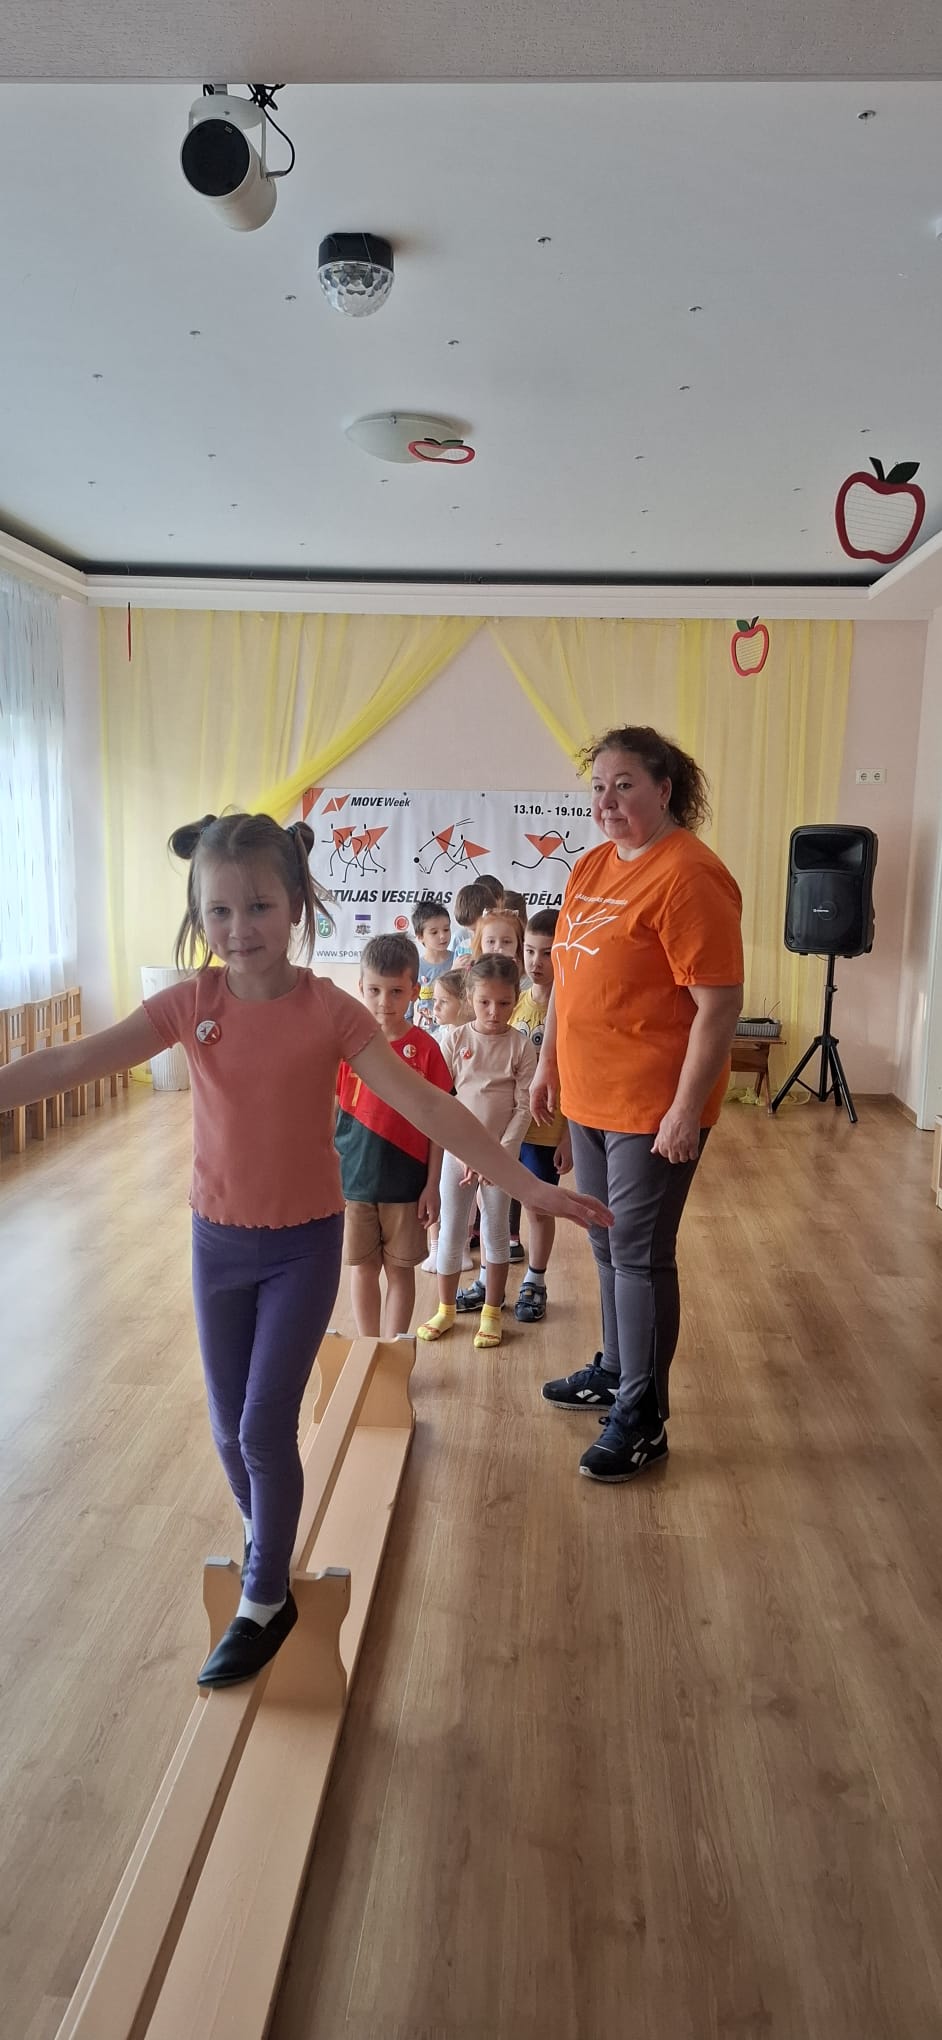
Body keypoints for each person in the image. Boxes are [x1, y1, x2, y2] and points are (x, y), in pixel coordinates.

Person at [0, 811, 611, 1687]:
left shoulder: (328, 1010)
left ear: (295, 906)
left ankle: (266, 1596)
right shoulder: (191, 1003)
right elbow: (71, 1062)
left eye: (258, 907)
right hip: (217, 1241)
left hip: (301, 1246)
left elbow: (430, 1105)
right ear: (199, 915)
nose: (238, 928)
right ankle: (268, 1540)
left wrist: (532, 1188)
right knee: (226, 1428)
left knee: (263, 1424)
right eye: (218, 911)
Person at [531, 728, 743, 1484]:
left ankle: (643, 1417)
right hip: (590, 1095)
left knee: (641, 1256)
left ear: (664, 789)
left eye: (624, 785)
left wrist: (686, 1108)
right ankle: (618, 1372)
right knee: (604, 1243)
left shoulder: (690, 876)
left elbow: (719, 1005)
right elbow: (565, 976)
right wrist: (548, 1061)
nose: (608, 801)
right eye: (598, 787)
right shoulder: (591, 865)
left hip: (653, 1104)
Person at [417, 956, 537, 1351]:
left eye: (504, 1003)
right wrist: (464, 1152)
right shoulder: (454, 1041)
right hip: (458, 1155)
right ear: (470, 998)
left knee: (496, 1232)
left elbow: (523, 1109)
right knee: (451, 1230)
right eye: (485, 1002)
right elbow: (442, 1100)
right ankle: (446, 1309)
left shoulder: (521, 1047)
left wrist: (498, 1157)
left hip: (500, 1160)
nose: (494, 1012)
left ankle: (491, 1313)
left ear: (516, 1000)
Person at [335, 934, 451, 1338]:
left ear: (415, 991)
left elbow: (440, 1125)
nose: (384, 1002)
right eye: (374, 991)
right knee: (363, 1269)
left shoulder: (427, 1049)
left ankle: (394, 1351)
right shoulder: (346, 1047)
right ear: (360, 988)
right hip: (354, 1181)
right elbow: (330, 1114)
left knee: (400, 1271)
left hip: (406, 1184)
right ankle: (368, 1348)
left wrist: (432, 1184)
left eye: (396, 991)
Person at [509, 910, 572, 1322]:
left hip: (547, 1129)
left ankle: (536, 1278)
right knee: (497, 1201)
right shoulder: (513, 1001)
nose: (536, 961)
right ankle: (491, 1275)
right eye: (530, 951)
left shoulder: (571, 1008)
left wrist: (570, 1135)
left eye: (547, 953)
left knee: (538, 1207)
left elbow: (578, 1076)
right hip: (509, 1126)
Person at [409, 896, 453, 1031]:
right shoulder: (415, 967)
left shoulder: (458, 960)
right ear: (420, 936)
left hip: (454, 1031)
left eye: (446, 929)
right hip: (427, 1032)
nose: (442, 936)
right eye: (434, 932)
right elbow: (407, 1007)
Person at [451, 876, 502, 965]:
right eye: (470, 931)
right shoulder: (462, 948)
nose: (475, 935)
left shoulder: (499, 947)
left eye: (477, 930)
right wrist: (455, 969)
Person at [471, 906, 527, 974]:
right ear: (480, 944)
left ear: (518, 944)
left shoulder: (527, 977)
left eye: (506, 942)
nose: (498, 948)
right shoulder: (473, 975)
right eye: (491, 941)